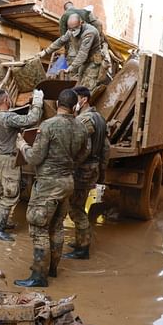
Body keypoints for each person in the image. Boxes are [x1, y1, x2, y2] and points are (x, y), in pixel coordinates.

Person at [14, 89, 89, 288]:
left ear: (57, 104)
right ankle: (53, 269)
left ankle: (39, 276)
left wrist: (22, 145)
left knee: (39, 229)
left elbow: (35, 157)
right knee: (56, 227)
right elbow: (85, 152)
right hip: (67, 183)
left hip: (48, 186)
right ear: (75, 106)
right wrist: (69, 164)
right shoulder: (81, 127)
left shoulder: (48, 126)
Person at [0, 88, 44, 241]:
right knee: (10, 195)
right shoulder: (8, 117)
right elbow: (31, 120)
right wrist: (38, 102)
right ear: (6, 100)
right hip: (8, 160)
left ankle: (0, 223)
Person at [64, 86, 110, 260]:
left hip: (83, 169)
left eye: (75, 98)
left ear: (83, 100)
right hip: (93, 167)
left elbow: (78, 146)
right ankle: (79, 241)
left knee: (76, 209)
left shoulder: (85, 120)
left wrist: (71, 163)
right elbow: (106, 148)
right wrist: (102, 171)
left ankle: (83, 249)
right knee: (79, 205)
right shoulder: (100, 118)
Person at [36, 14, 102, 90]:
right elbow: (60, 41)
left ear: (81, 23)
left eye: (75, 29)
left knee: (88, 87)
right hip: (83, 62)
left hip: (93, 62)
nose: (73, 32)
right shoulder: (70, 31)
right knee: (79, 84)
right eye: (70, 29)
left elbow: (82, 54)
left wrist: (70, 68)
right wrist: (45, 52)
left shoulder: (90, 32)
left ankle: (89, 100)